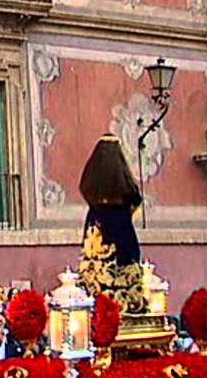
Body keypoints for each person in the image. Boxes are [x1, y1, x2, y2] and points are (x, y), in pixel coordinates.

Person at [76, 134, 147, 314]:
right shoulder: (124, 195)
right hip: (121, 226)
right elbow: (136, 198)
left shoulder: (93, 196)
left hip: (96, 227)